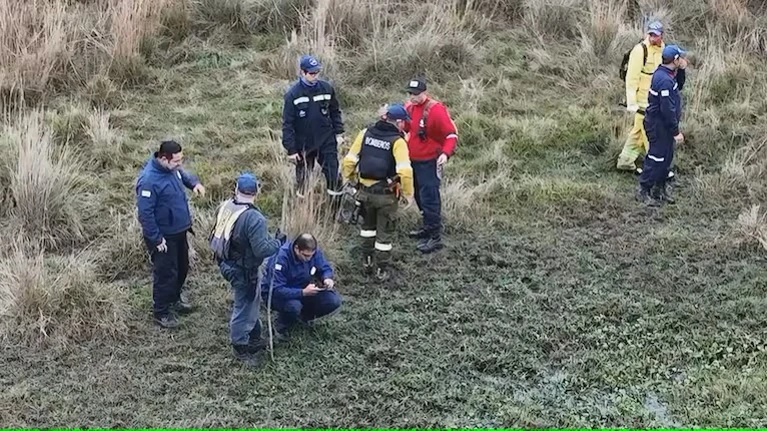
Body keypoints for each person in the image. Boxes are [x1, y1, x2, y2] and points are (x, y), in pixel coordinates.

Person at [209, 172, 283, 367]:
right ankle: (240, 346)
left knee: (251, 301)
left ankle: (255, 336)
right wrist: (278, 243)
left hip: (226, 263)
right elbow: (262, 249)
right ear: (256, 192)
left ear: (236, 190)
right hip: (244, 270)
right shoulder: (254, 218)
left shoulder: (227, 206)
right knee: (244, 307)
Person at [135, 139, 205, 328]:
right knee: (166, 274)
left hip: (179, 231)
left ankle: (175, 299)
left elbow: (182, 175)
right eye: (176, 161)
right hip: (163, 237)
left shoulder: (171, 169)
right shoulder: (149, 181)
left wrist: (194, 184)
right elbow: (145, 214)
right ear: (164, 159)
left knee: (182, 268)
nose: (179, 164)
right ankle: (161, 312)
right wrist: (156, 238)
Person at [341, 103, 415, 280]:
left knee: (367, 229)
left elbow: (349, 160)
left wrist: (348, 178)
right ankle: (382, 270)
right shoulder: (398, 141)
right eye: (404, 122)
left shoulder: (365, 133)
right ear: (398, 122)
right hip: (386, 197)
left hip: (364, 193)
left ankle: (367, 263)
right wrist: (408, 193)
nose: (404, 125)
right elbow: (405, 170)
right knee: (384, 235)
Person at [403, 77, 458, 253]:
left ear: (425, 93)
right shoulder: (409, 107)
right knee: (419, 195)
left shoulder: (436, 110)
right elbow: (406, 128)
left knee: (430, 198)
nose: (413, 97)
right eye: (410, 93)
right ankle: (427, 228)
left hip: (429, 161)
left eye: (416, 94)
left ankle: (435, 237)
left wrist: (445, 153)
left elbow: (451, 134)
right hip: (413, 160)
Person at [281, 54, 345, 202]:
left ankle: (335, 211)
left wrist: (339, 133)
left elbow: (335, 111)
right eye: (311, 73)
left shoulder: (327, 88)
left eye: (317, 72)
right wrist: (291, 149)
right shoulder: (292, 94)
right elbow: (287, 124)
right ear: (302, 73)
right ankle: (301, 207)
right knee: (303, 178)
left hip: (326, 139)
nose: (315, 76)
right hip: (304, 143)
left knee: (333, 175)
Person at [261, 233, 342, 341]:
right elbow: (276, 289)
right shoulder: (280, 258)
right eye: (305, 256)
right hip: (278, 294)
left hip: (304, 288)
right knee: (293, 306)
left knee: (333, 300)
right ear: (296, 249)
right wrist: (302, 292)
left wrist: (327, 278)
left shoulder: (313, 251)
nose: (308, 259)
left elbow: (324, 267)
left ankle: (302, 318)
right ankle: (281, 324)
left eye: (311, 256)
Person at [636, 45, 687, 206]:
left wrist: (682, 71)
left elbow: (679, 86)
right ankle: (644, 190)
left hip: (663, 126)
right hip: (659, 126)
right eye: (680, 58)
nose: (683, 60)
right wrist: (675, 131)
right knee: (656, 158)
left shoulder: (666, 74)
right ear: (675, 60)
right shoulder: (664, 80)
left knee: (666, 158)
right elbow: (667, 110)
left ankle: (659, 190)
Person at [616, 21, 665, 174]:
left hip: (656, 99)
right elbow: (631, 79)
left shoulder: (664, 49)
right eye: (650, 34)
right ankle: (657, 167)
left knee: (638, 131)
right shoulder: (639, 51)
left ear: (661, 36)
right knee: (651, 132)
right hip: (642, 100)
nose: (652, 38)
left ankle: (625, 161)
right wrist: (632, 103)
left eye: (655, 35)